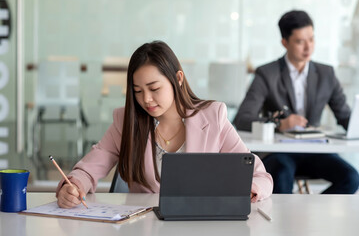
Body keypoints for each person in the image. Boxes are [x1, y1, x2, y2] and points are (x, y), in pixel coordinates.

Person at [56, 41, 273, 208]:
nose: (146, 99)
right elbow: (89, 169)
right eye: (138, 91)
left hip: (200, 224)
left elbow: (260, 176)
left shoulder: (213, 117)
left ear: (178, 78)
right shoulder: (126, 121)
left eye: (154, 88)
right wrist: (74, 185)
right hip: (146, 226)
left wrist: (250, 190)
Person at [233, 10, 359, 194]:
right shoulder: (267, 74)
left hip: (314, 152)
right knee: (282, 173)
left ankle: (311, 217)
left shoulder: (327, 74)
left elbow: (345, 116)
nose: (308, 47)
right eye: (300, 41)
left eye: (311, 39)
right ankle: (285, 222)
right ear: (285, 42)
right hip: (278, 153)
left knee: (351, 178)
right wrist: (279, 123)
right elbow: (242, 118)